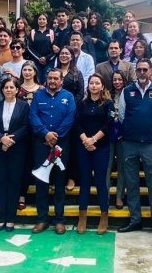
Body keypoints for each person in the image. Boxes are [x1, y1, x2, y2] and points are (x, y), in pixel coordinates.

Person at [117, 58, 152, 239]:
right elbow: (121, 115)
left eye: (145, 70)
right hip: (129, 143)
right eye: (140, 70)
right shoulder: (127, 91)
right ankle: (135, 219)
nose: (142, 73)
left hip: (151, 144)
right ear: (136, 72)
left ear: (151, 71)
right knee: (131, 183)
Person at [29, 68, 77, 234]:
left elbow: (70, 118)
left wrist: (55, 136)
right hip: (41, 145)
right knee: (41, 183)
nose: (53, 81)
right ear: (46, 79)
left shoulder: (68, 97)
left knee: (59, 182)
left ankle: (59, 220)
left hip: (61, 146)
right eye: (50, 78)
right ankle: (42, 219)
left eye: (56, 78)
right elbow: (33, 115)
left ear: (61, 80)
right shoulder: (38, 95)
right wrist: (45, 133)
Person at [0, 78, 30, 232]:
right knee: (0, 182)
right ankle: (1, 217)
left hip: (17, 148)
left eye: (12, 87)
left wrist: (10, 140)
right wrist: (1, 139)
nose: (9, 89)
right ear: (2, 90)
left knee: (14, 182)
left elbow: (26, 126)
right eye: (6, 87)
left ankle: (11, 218)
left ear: (17, 90)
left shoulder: (24, 106)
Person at [75, 74, 114, 234]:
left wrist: (94, 140)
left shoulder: (108, 104)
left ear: (102, 86)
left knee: (100, 182)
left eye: (97, 83)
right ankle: (82, 216)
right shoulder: (81, 103)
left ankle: (104, 216)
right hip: (83, 146)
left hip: (101, 147)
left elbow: (109, 124)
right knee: (84, 182)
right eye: (91, 83)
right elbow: (76, 123)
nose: (94, 86)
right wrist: (86, 140)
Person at [16, 61, 41, 211]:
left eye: (30, 70)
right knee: (23, 165)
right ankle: (21, 196)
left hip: (38, 132)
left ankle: (40, 196)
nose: (27, 72)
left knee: (38, 163)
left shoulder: (42, 89)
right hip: (21, 131)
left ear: (35, 72)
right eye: (24, 70)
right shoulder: (16, 89)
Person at [109, 71, 128, 209]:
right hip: (108, 134)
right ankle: (105, 195)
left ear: (124, 81)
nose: (117, 82)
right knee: (107, 167)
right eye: (114, 80)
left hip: (124, 135)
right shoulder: (107, 94)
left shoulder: (128, 94)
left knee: (122, 167)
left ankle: (119, 196)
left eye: (119, 79)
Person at [28, 13, 55, 83]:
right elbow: (29, 47)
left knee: (47, 80)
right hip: (36, 61)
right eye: (40, 19)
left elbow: (55, 49)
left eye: (44, 19)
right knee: (37, 80)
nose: (42, 21)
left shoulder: (51, 32)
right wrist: (39, 58)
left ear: (47, 21)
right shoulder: (33, 32)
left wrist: (46, 58)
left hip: (49, 61)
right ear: (37, 21)